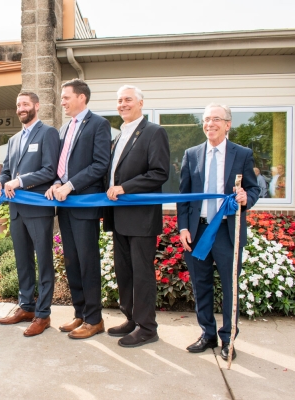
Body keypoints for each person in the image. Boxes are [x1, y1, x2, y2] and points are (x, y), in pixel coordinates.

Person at [178, 103, 260, 360]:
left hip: (227, 231)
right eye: (206, 119)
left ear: (228, 124)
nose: (210, 124)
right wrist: (182, 227)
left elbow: (254, 190)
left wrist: (247, 198)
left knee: (229, 286)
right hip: (198, 231)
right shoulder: (191, 154)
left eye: (216, 119)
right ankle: (207, 334)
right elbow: (184, 195)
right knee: (200, 285)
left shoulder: (242, 154)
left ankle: (227, 339)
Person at [102, 85, 170, 348]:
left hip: (141, 218)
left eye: (128, 99)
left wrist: (125, 188)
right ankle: (131, 318)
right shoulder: (119, 136)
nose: (123, 104)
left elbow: (159, 172)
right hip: (118, 217)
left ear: (141, 103)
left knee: (142, 273)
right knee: (125, 272)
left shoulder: (154, 132)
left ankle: (147, 327)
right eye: (119, 100)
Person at [0, 91, 59, 337]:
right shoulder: (14, 138)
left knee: (44, 263)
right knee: (23, 262)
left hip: (38, 209)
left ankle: (43, 314)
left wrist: (19, 181)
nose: (21, 108)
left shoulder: (48, 133)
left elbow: (50, 171)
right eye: (18, 104)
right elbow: (6, 170)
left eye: (26, 104)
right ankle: (26, 306)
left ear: (36, 106)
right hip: (17, 211)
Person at [45, 79, 111, 339]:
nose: (62, 101)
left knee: (87, 263)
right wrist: (56, 183)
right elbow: (62, 166)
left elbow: (100, 164)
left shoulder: (99, 124)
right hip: (65, 206)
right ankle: (80, 314)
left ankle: (95, 319)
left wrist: (70, 185)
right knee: (71, 262)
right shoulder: (63, 129)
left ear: (81, 98)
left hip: (84, 207)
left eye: (66, 97)